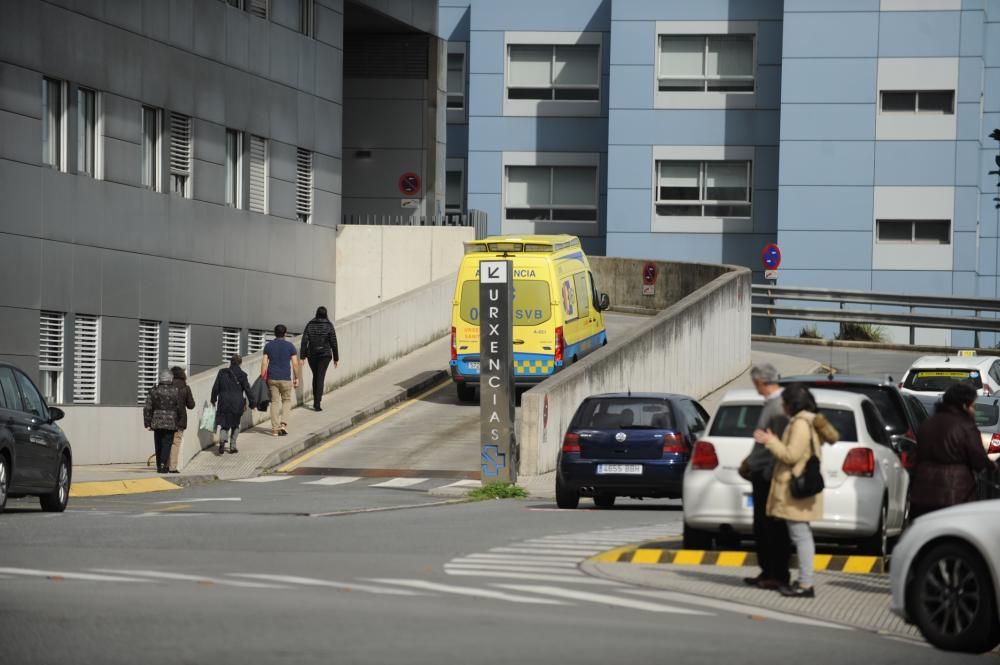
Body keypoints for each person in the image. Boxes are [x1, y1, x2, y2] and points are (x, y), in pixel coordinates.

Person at [753, 383, 839, 598]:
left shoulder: (800, 423)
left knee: (800, 536)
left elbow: (791, 455)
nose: (782, 407)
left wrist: (771, 441)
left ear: (792, 404)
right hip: (798, 488)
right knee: (801, 535)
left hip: (794, 490)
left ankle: (805, 583)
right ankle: (804, 581)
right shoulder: (809, 420)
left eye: (784, 403)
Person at [910, 382, 996, 519]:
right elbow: (978, 458)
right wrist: (992, 466)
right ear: (964, 405)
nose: (974, 411)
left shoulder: (928, 423)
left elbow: (915, 454)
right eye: (973, 406)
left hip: (922, 492)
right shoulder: (966, 426)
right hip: (955, 493)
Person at [741, 364, 791, 590]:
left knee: (772, 526)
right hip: (761, 471)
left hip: (769, 474)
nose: (756, 388)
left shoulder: (778, 406)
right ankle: (767, 570)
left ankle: (777, 573)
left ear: (761, 381)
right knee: (761, 525)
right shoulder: (771, 404)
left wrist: (766, 470)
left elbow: (777, 442)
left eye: (756, 383)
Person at [260, 324, 300, 437]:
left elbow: (264, 363)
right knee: (287, 401)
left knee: (274, 402)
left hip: (272, 378)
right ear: (285, 332)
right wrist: (296, 378)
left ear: (274, 333)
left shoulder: (268, 346)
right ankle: (283, 425)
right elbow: (295, 364)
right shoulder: (290, 346)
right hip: (286, 378)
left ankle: (274, 429)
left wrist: (263, 377)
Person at [211, 354, 255, 454]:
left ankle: (222, 440)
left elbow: (216, 387)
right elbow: (248, 390)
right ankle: (232, 447)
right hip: (237, 403)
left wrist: (213, 399)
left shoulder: (222, 372)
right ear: (240, 363)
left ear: (230, 362)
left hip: (223, 402)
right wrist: (252, 403)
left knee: (224, 424)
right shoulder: (242, 375)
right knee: (235, 424)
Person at [143, 370, 184, 474]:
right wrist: (179, 421)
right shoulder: (176, 390)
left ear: (160, 379)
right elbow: (180, 407)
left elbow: (147, 407)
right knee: (167, 444)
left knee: (158, 443)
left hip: (157, 421)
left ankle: (159, 466)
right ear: (170, 379)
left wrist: (147, 422)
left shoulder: (153, 390)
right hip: (171, 422)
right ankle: (163, 465)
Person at [300, 306, 339, 411]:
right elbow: (334, 342)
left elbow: (304, 341)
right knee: (320, 377)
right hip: (325, 355)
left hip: (312, 354)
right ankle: (317, 403)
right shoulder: (329, 325)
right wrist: (336, 358)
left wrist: (302, 356)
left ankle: (316, 401)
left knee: (316, 376)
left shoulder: (310, 324)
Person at [167, 366, 195, 473]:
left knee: (166, 442)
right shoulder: (185, 388)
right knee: (175, 443)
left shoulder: (167, 386)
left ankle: (164, 465)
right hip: (180, 420)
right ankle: (172, 467)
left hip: (167, 419)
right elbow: (191, 405)